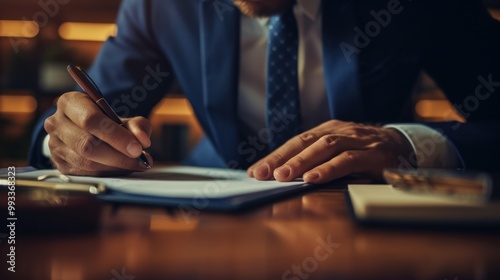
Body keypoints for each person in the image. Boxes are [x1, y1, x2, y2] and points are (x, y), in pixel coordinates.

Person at [29, 0, 500, 183]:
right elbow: (84, 115)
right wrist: (65, 142)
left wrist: (412, 145)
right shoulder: (161, 6)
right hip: (209, 219)